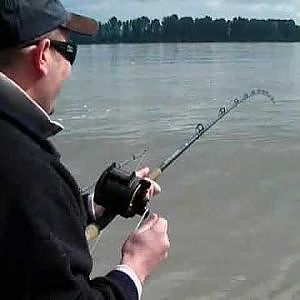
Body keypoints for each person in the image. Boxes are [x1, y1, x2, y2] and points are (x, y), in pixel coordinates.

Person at [0, 0, 170, 299]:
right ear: (42, 55)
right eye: (69, 52)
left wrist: (90, 206)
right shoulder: (27, 168)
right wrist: (135, 267)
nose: (68, 68)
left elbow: (20, 229)